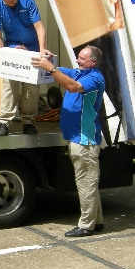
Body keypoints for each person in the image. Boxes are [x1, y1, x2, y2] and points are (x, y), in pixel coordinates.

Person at [32, 45, 106, 237]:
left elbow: (72, 87)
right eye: (78, 57)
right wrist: (47, 60)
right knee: (89, 183)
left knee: (86, 183)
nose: (78, 61)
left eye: (82, 58)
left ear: (93, 62)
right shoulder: (79, 73)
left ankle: (86, 226)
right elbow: (57, 72)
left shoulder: (94, 78)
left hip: (85, 140)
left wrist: (51, 68)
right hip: (76, 138)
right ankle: (96, 221)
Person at [0, 0, 53, 137]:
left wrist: (41, 49)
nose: (11, 3)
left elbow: (39, 28)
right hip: (13, 49)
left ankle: (28, 122)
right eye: (8, 0)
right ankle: (4, 122)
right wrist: (2, 53)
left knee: (31, 87)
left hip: (31, 48)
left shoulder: (28, 0)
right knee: (9, 85)